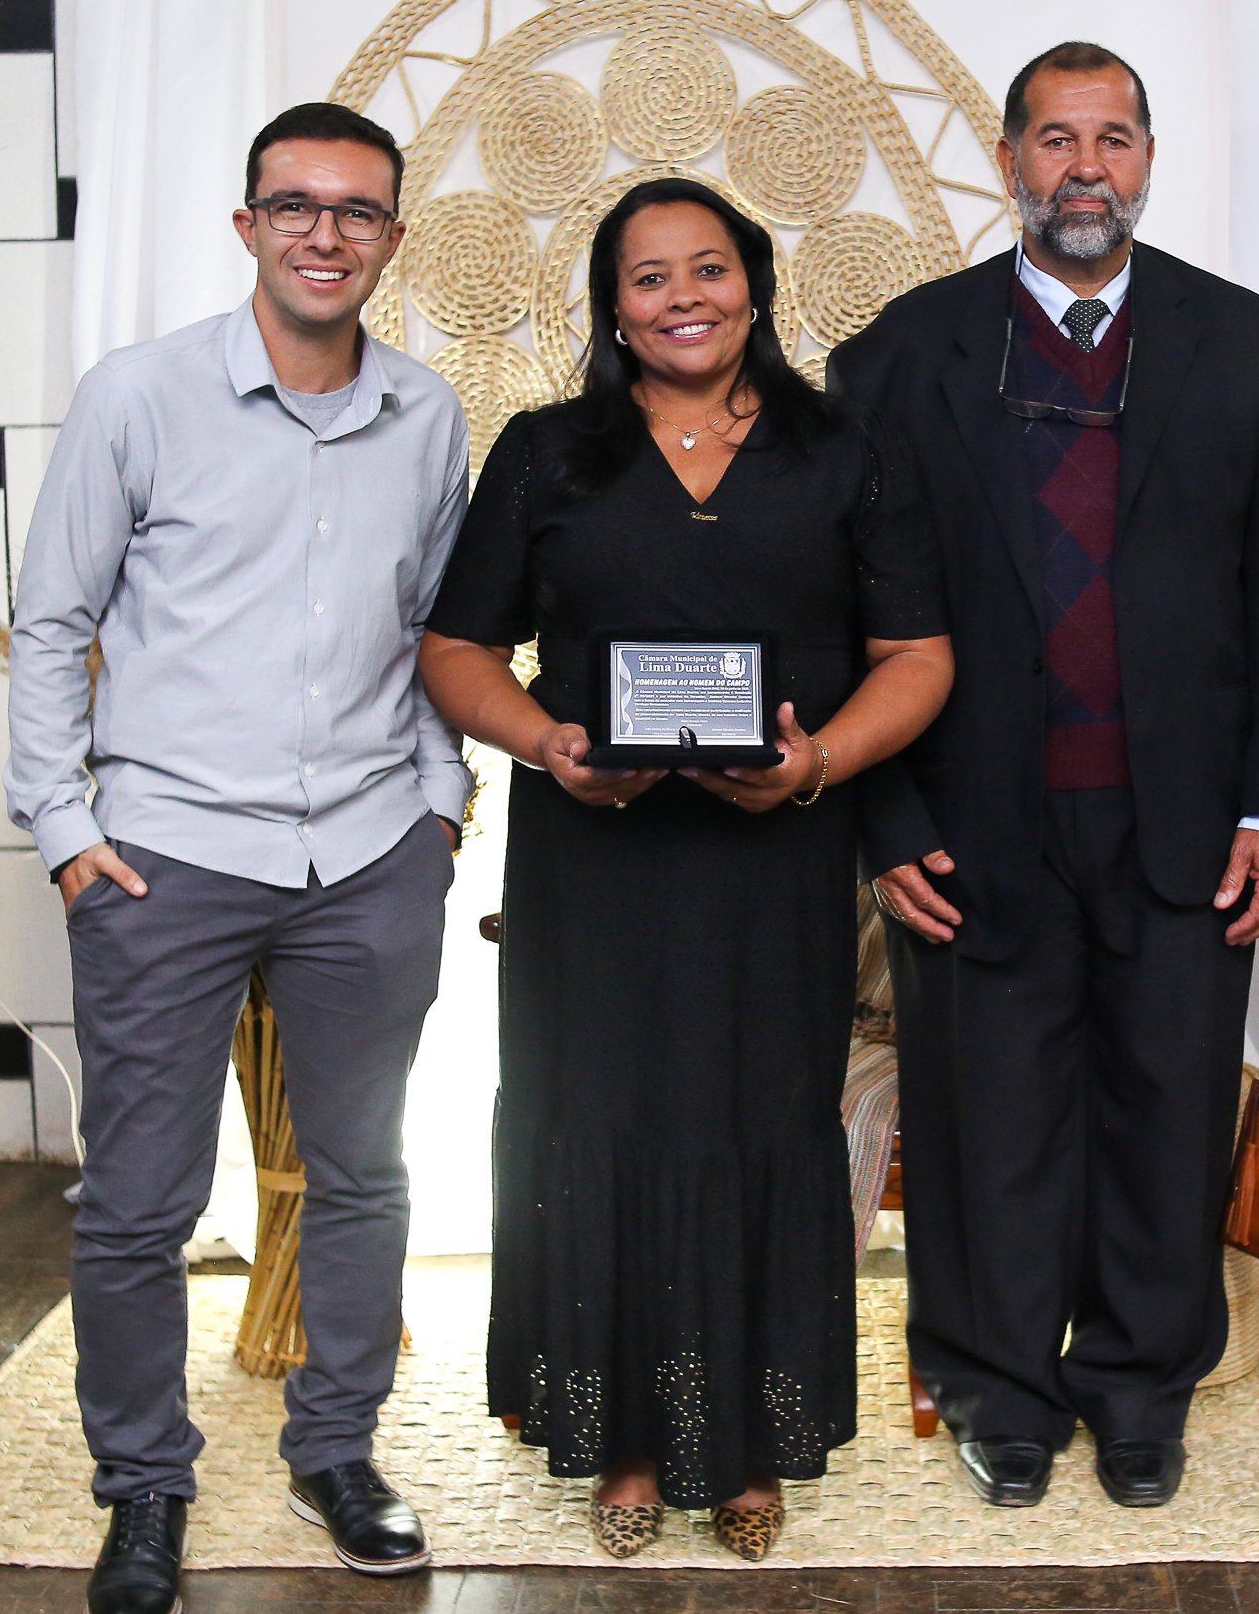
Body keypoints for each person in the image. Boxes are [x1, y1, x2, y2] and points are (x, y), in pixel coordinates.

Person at [417, 178, 951, 1561]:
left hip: (776, 862)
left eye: (707, 268)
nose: (683, 298)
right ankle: (630, 1439)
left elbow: (918, 655)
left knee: (759, 1125)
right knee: (598, 1122)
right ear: (613, 308)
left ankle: (752, 1442)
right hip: (593, 864)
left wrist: (817, 763)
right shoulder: (546, 452)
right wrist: (545, 743)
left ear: (753, 285)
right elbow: (456, 647)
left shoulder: (845, 449)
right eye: (648, 277)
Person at [830, 41, 1259, 1511]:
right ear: (1009, 163)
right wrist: (885, 817)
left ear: (1149, 159)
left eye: (1113, 137)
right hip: (968, 819)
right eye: (1057, 138)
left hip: (1185, 815)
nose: (1086, 167)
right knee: (987, 1121)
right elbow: (847, 612)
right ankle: (996, 1386)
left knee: (1167, 1115)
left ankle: (1139, 1386)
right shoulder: (900, 353)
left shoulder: (1242, 339)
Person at [7, 102, 467, 1614]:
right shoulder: (137, 396)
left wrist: (439, 806)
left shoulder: (427, 413)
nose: (325, 233)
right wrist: (67, 829)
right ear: (248, 225)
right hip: (168, 857)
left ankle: (336, 1449)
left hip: (368, 853)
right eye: (296, 206)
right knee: (139, 1200)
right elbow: (53, 623)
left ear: (390, 236)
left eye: (357, 210)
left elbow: (436, 631)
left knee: (364, 1174)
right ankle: (144, 1480)